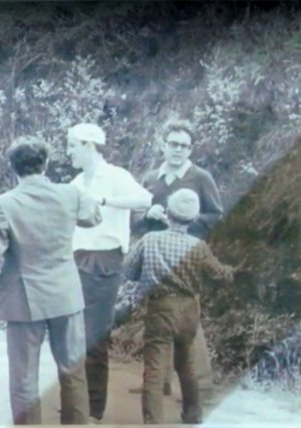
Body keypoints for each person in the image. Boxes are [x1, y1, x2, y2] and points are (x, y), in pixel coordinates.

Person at [0, 135, 102, 425]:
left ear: (12, 168)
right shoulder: (70, 193)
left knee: (24, 378)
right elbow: (93, 218)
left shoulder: (2, 204)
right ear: (46, 164)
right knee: (72, 371)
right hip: (65, 295)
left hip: (23, 299)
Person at [124, 188, 235, 424]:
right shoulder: (199, 246)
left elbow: (130, 272)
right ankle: (192, 414)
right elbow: (218, 274)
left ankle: (153, 421)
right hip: (188, 309)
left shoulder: (150, 239)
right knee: (186, 362)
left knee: (154, 367)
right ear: (194, 218)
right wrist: (231, 272)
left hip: (160, 307)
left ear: (168, 214)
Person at [66, 123, 152, 423]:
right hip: (75, 261)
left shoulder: (116, 176)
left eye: (72, 145)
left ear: (89, 145)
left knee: (95, 337)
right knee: (73, 337)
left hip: (105, 262)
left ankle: (94, 410)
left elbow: (145, 200)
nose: (68, 152)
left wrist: (104, 201)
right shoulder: (76, 182)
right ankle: (76, 404)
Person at [131, 119, 223, 395]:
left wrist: (182, 219)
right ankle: (160, 383)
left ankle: (203, 387)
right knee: (159, 319)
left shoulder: (200, 177)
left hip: (187, 257)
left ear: (190, 149)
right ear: (163, 145)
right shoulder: (150, 178)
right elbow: (135, 218)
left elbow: (216, 215)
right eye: (173, 144)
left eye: (184, 146)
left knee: (188, 320)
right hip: (157, 258)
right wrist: (148, 215)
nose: (178, 150)